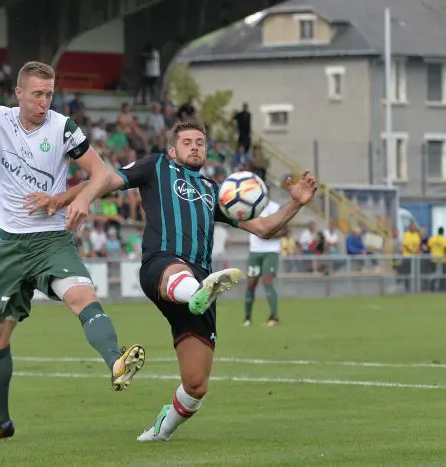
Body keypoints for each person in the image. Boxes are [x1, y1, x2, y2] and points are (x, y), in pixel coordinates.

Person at [27, 118, 317, 442]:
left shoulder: (213, 192)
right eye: (188, 142)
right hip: (161, 266)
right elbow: (106, 179)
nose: (195, 147)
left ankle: (161, 430)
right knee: (179, 272)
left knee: (196, 386)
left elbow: (264, 228)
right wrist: (62, 200)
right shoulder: (156, 166)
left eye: (200, 142)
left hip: (203, 280)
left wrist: (296, 202)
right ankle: (196, 292)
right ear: (172, 149)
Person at [0, 45, 146, 443]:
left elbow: (100, 174)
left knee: (81, 295)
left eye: (49, 94)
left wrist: (70, 199)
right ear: (18, 93)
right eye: (37, 94)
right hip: (11, 245)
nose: (43, 102)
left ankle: (117, 361)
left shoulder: (63, 128)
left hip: (50, 239)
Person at [244, 199, 282, 327]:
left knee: (267, 281)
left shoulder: (275, 207)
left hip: (271, 251)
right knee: (251, 284)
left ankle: (274, 317)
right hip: (255, 251)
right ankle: (247, 318)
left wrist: (268, 232)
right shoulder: (250, 206)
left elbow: (285, 230)